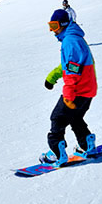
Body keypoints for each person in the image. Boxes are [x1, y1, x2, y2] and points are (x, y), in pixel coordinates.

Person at [39, 9, 97, 165]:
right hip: (87, 90)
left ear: (63, 24)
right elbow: (67, 65)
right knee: (75, 117)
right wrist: (52, 77)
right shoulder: (73, 38)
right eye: (50, 26)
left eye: (55, 26)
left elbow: (72, 70)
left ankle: (57, 154)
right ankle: (86, 144)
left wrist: (69, 94)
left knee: (57, 118)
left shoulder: (70, 41)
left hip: (77, 90)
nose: (52, 31)